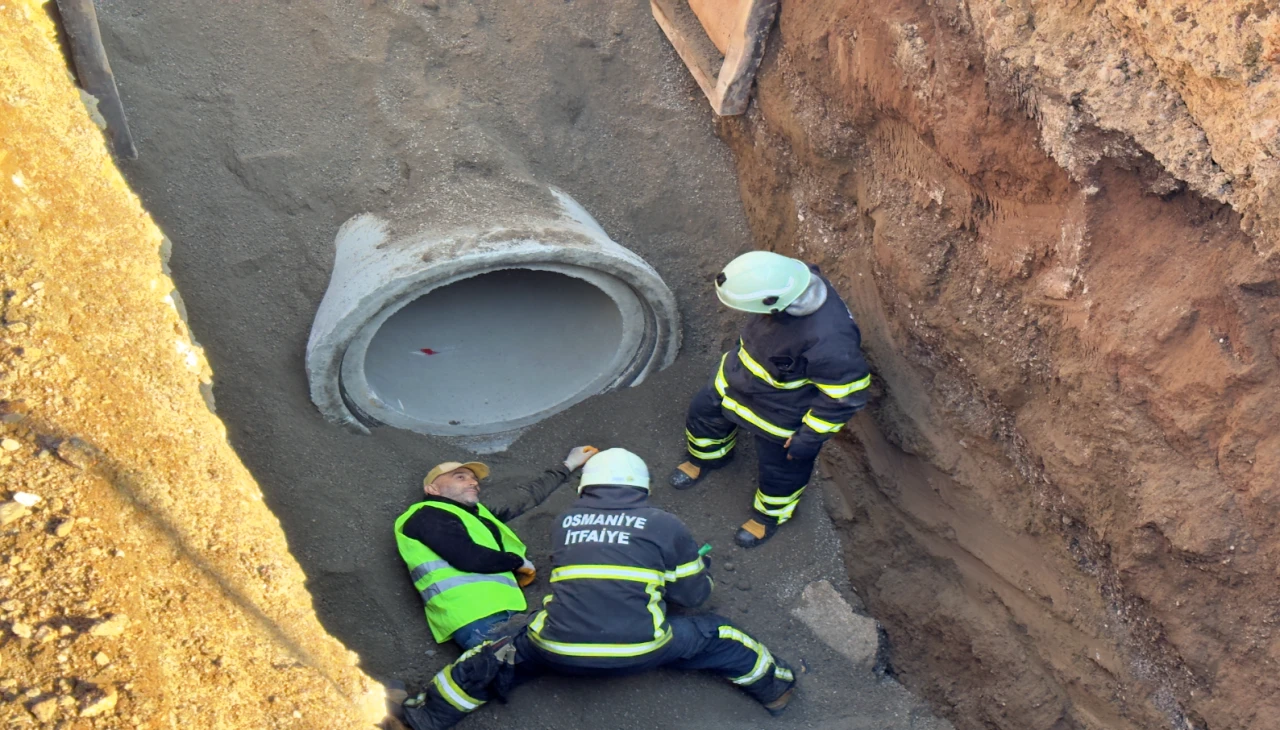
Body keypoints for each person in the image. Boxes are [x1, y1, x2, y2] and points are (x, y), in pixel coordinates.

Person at [395, 448, 797, 730]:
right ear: (643, 486)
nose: (472, 484)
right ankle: (776, 691)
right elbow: (693, 597)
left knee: (488, 660)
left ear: (586, 486)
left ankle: (422, 718)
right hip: (640, 648)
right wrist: (696, 570)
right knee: (719, 636)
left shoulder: (565, 522)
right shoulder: (663, 524)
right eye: (459, 476)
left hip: (556, 646)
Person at [670, 251, 872, 548]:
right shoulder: (788, 280)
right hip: (735, 380)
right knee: (703, 417)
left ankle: (770, 516)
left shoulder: (830, 340)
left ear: (773, 303)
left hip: (779, 413)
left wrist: (809, 437)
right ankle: (709, 458)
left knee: (782, 471)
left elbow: (845, 395)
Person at [394, 446, 598, 650]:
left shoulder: (476, 517)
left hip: (500, 615)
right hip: (476, 618)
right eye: (460, 477)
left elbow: (525, 497)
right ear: (433, 489)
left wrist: (568, 465)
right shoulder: (427, 515)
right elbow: (468, 557)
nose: (473, 482)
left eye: (474, 479)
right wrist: (516, 562)